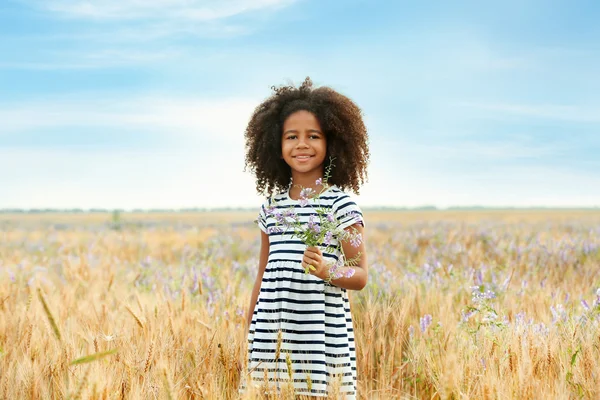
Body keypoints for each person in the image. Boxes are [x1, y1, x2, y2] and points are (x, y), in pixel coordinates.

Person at [241, 77, 370, 399]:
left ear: (332, 143)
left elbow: (360, 276)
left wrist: (328, 271)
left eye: (313, 136)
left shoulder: (341, 204)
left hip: (320, 337)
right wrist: (250, 323)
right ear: (275, 144)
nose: (302, 144)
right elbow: (263, 273)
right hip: (273, 332)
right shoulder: (271, 206)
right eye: (291, 136)